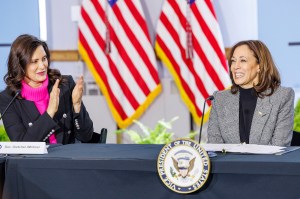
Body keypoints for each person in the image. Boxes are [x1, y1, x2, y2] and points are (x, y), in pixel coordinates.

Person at [0, 34, 94, 144]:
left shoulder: (64, 85)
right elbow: (22, 145)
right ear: (20, 65)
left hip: (67, 159)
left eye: (44, 59)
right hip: (36, 161)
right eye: (34, 61)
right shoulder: (8, 98)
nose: (42, 66)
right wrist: (49, 113)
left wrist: (77, 105)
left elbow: (86, 137)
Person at [207, 40, 294, 146]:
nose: (235, 66)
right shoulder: (219, 99)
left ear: (260, 66)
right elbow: (215, 146)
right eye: (233, 61)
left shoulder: (282, 96)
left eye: (243, 60)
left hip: (267, 163)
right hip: (229, 163)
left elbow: (279, 146)